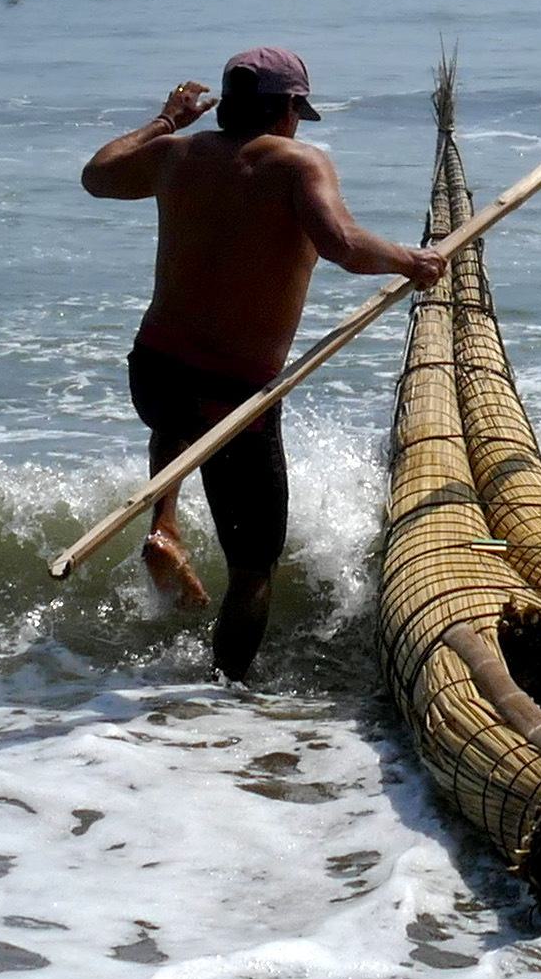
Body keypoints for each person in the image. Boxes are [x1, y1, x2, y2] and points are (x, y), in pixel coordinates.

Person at [79, 47, 444, 683]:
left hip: (155, 369)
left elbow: (98, 173)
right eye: (298, 111)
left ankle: (165, 524)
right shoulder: (299, 162)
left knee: (175, 422)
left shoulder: (177, 156)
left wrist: (167, 120)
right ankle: (229, 698)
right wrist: (409, 263)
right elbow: (343, 244)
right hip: (235, 393)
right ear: (285, 110)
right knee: (252, 567)